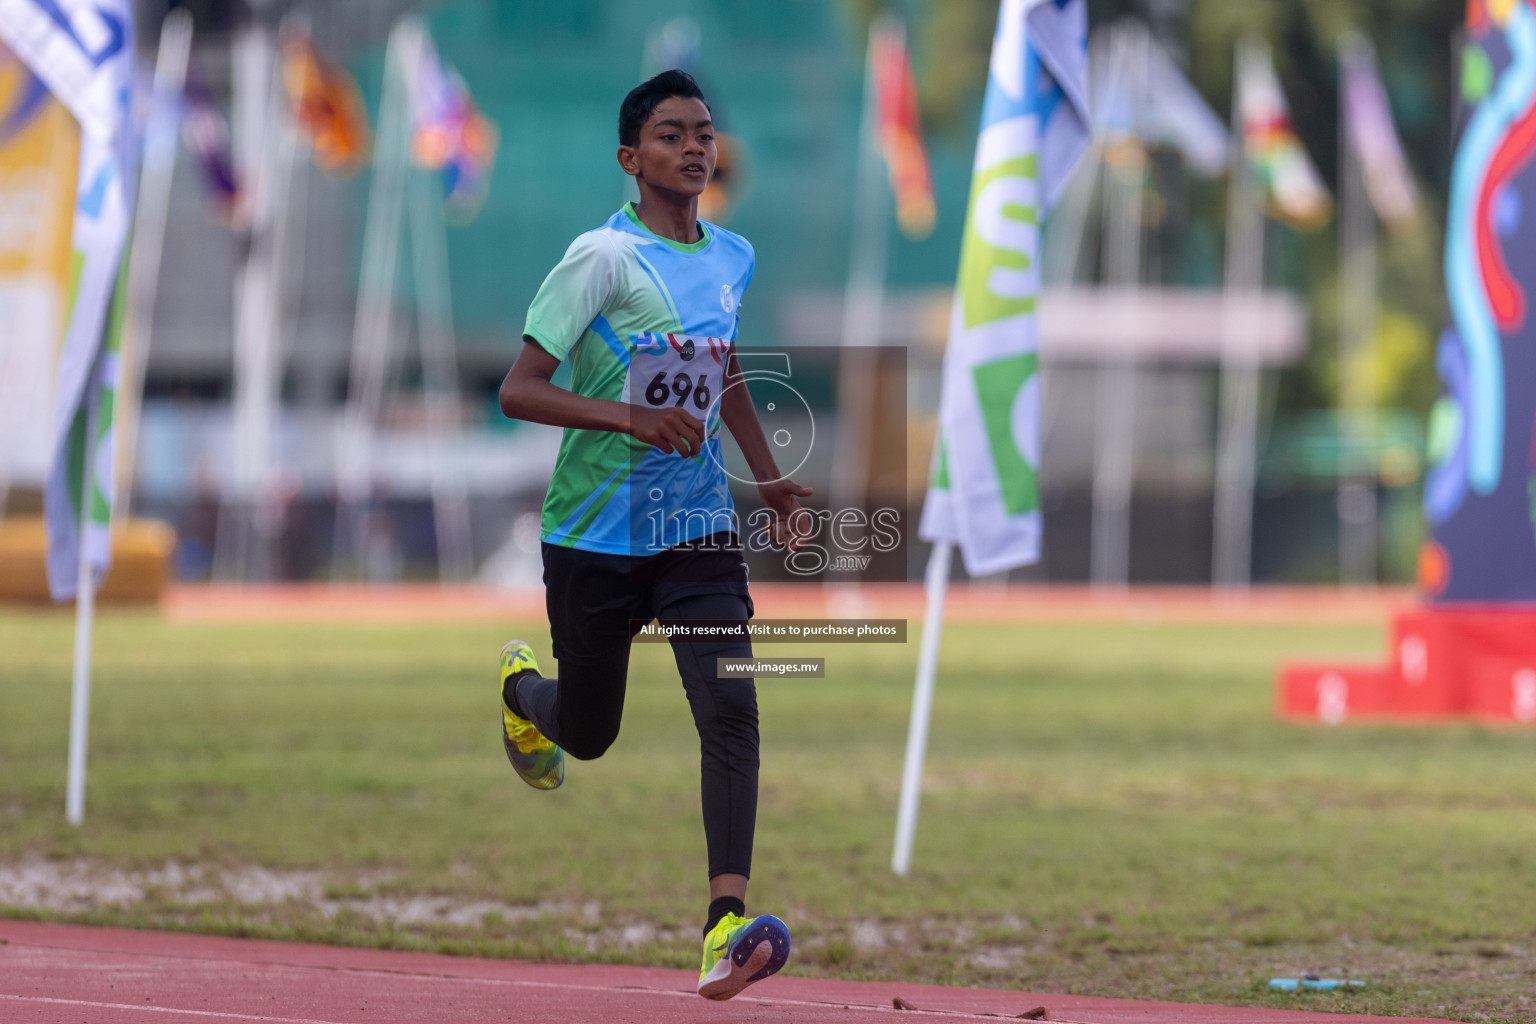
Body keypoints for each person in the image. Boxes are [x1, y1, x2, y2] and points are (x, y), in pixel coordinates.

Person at [495, 69, 811, 1002]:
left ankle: (724, 925)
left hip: (697, 528)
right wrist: (631, 420)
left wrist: (769, 474)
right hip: (593, 538)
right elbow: (519, 389)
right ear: (633, 160)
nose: (695, 147)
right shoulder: (600, 257)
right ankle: (523, 690)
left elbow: (727, 373)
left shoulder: (734, 256)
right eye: (672, 134)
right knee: (589, 734)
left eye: (705, 132)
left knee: (731, 709)